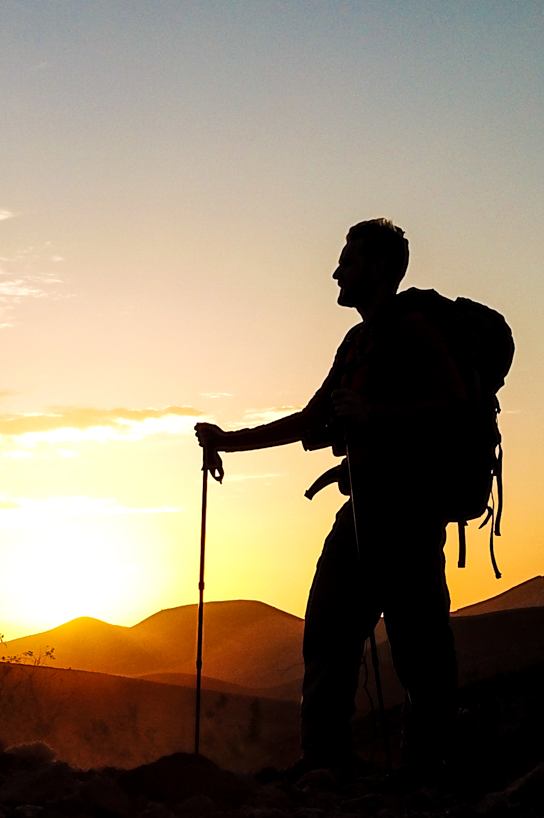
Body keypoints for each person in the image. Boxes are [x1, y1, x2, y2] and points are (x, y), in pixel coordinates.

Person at [195, 219, 469, 779]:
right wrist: (230, 441)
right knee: (328, 629)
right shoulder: (357, 344)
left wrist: (375, 415)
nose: (337, 272)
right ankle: (325, 764)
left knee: (418, 646)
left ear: (379, 268)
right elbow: (311, 420)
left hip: (410, 513)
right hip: (364, 509)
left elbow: (456, 407)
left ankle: (430, 768)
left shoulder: (414, 331)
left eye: (348, 261)